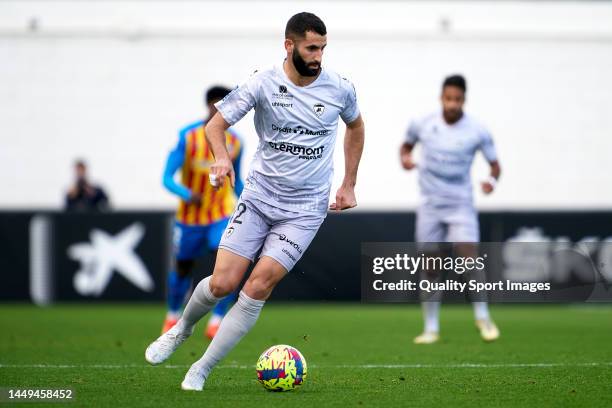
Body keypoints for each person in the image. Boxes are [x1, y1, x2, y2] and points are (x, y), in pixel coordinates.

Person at [145, 12, 365, 391]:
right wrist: (221, 156)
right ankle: (181, 329)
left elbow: (357, 126)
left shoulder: (340, 89)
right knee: (222, 282)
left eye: (323, 49)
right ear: (289, 45)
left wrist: (348, 183)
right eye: (312, 48)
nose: (318, 57)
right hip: (260, 198)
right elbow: (215, 125)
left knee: (259, 285)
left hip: (304, 209)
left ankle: (202, 367)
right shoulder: (262, 83)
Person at [399, 74, 502, 344]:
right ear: (441, 98)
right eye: (448, 98)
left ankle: (483, 317)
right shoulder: (423, 123)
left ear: (464, 100)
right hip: (430, 203)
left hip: (460, 203)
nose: (453, 104)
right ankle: (431, 328)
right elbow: (405, 147)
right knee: (430, 266)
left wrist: (490, 181)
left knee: (469, 257)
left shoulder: (477, 130)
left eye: (457, 99)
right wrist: (406, 159)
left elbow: (495, 166)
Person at [161, 86, 244, 339]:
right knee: (183, 267)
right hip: (189, 219)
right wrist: (188, 195)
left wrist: (248, 202)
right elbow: (166, 178)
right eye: (217, 105)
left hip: (221, 214)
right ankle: (173, 315)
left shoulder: (236, 141)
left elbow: (236, 180)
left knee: (227, 263)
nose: (221, 111)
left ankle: (217, 321)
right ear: (209, 106)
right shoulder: (188, 137)